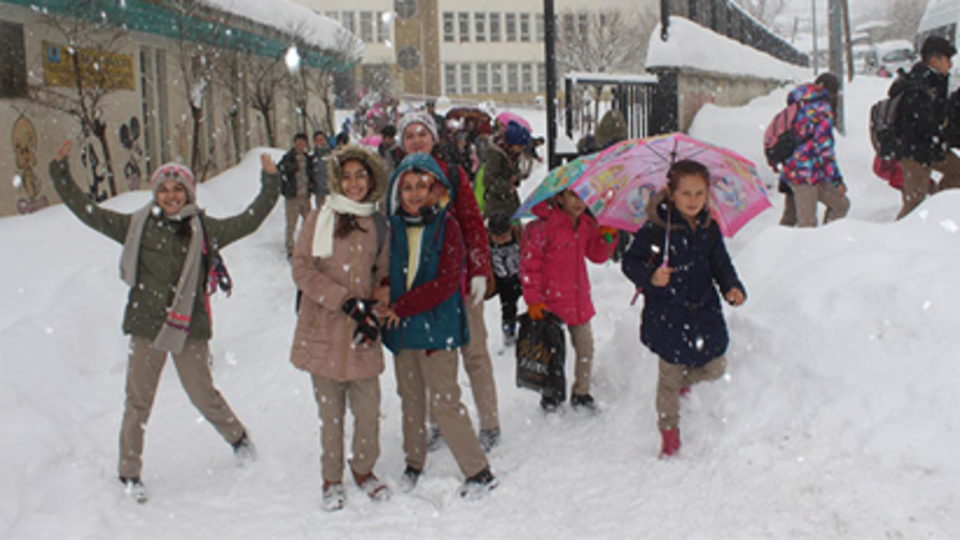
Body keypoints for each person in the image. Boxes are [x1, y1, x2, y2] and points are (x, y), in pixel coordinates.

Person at [48, 140, 280, 502]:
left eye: (178, 189)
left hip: (190, 327)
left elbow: (249, 221)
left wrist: (271, 182)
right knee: (137, 401)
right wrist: (61, 173)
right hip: (146, 325)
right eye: (165, 189)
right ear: (156, 193)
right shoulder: (136, 226)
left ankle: (238, 438)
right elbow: (87, 211)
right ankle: (129, 472)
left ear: (188, 192)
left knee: (203, 394)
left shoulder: (204, 229)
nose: (171, 196)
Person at [379, 152, 498, 499]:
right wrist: (385, 295)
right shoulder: (395, 228)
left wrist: (402, 306)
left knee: (445, 401)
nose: (415, 194)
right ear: (398, 193)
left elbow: (446, 284)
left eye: (423, 187)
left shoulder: (449, 228)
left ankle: (478, 470)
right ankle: (414, 461)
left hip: (437, 328)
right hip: (403, 332)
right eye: (408, 188)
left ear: (436, 190)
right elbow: (386, 271)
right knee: (411, 399)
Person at [621, 159, 746, 459]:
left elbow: (721, 264)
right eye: (686, 193)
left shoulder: (709, 227)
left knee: (715, 366)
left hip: (704, 313)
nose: (693, 201)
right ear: (671, 193)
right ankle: (669, 432)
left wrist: (733, 287)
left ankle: (685, 383)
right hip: (668, 316)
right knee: (668, 379)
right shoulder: (656, 230)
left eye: (699, 193)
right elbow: (630, 263)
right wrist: (652, 277)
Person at [290, 145, 391, 512]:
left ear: (371, 179)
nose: (353, 183)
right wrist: (344, 300)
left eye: (360, 176)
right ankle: (331, 479)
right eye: (346, 176)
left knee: (368, 410)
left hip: (362, 331)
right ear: (337, 180)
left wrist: (375, 308)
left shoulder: (379, 223)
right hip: (324, 329)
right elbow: (302, 269)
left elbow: (384, 274)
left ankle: (363, 469)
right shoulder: (319, 218)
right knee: (330, 415)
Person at [396, 111, 501, 452]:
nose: (416, 139)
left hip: (461, 283)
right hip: (425, 287)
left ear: (433, 138)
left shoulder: (453, 176)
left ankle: (489, 422)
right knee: (433, 358)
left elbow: (472, 224)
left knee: (475, 354)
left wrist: (480, 270)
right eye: (409, 134)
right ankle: (439, 421)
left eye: (421, 133)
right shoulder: (399, 181)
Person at [520, 189, 617, 413]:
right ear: (560, 199)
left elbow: (597, 255)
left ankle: (581, 393)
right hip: (550, 302)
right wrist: (533, 300)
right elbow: (530, 266)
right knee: (553, 353)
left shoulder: (585, 225)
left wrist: (606, 237)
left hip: (578, 299)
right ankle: (551, 394)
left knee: (585, 348)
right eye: (573, 196)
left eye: (584, 197)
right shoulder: (544, 227)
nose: (579, 203)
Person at [892, 35, 960, 219]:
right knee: (914, 203)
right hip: (915, 152)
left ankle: (939, 208)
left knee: (957, 172)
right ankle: (897, 240)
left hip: (931, 147)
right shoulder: (919, 84)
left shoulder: (935, 81)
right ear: (934, 60)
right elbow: (922, 122)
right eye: (948, 60)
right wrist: (940, 135)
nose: (951, 65)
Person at [778, 73, 850, 227]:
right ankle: (822, 244)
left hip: (791, 169)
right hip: (805, 173)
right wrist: (837, 180)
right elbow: (825, 151)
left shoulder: (798, 102)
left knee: (789, 221)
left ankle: (778, 248)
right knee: (808, 225)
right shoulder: (821, 110)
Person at [279, 133, 319, 258]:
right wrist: (295, 167)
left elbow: (312, 174)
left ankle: (307, 246)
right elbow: (281, 171)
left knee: (309, 222)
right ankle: (290, 249)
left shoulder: (308, 158)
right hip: (293, 196)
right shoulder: (288, 157)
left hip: (305, 195)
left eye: (303, 142)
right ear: (294, 143)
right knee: (291, 223)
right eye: (298, 142)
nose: (301, 144)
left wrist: (312, 185)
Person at [483, 120, 531, 220]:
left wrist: (516, 178)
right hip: (497, 206)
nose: (521, 150)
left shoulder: (513, 155)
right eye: (520, 146)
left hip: (509, 203)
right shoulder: (496, 155)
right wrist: (507, 185)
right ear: (511, 144)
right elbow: (488, 180)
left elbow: (515, 172)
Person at [488, 212, 522, 347]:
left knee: (534, 300)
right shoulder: (488, 243)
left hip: (521, 276)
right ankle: (509, 330)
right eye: (497, 237)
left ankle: (536, 324)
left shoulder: (518, 236)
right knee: (508, 307)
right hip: (503, 281)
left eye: (504, 236)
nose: (502, 240)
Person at [311, 131, 332, 209]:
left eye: (321, 139)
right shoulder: (312, 158)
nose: (320, 142)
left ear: (326, 140)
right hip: (319, 194)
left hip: (332, 194)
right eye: (317, 140)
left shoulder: (333, 155)